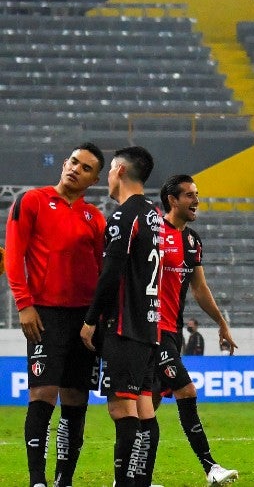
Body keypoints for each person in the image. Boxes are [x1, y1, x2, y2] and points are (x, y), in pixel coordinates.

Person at [5, 142, 106, 487]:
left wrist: (99, 317)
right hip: (44, 314)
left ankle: (64, 479)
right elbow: (14, 255)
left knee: (76, 398)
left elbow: (102, 268)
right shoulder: (31, 200)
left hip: (84, 319)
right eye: (74, 161)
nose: (76, 168)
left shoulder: (95, 218)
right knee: (42, 394)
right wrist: (24, 303)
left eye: (86, 167)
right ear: (64, 163)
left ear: (94, 180)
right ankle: (37, 480)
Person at [79, 146, 162, 487]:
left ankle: (124, 482)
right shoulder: (153, 215)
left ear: (121, 171)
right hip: (149, 325)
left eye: (111, 170)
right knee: (144, 407)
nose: (108, 177)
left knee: (120, 408)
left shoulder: (123, 216)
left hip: (124, 324)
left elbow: (110, 273)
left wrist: (90, 319)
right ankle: (139, 481)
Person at [155, 174, 240, 485]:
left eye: (197, 194)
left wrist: (221, 322)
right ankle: (211, 468)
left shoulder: (192, 240)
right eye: (189, 195)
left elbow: (200, 289)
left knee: (148, 404)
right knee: (186, 390)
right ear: (172, 200)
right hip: (150, 331)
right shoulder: (152, 232)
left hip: (172, 331)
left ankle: (130, 477)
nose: (196, 201)